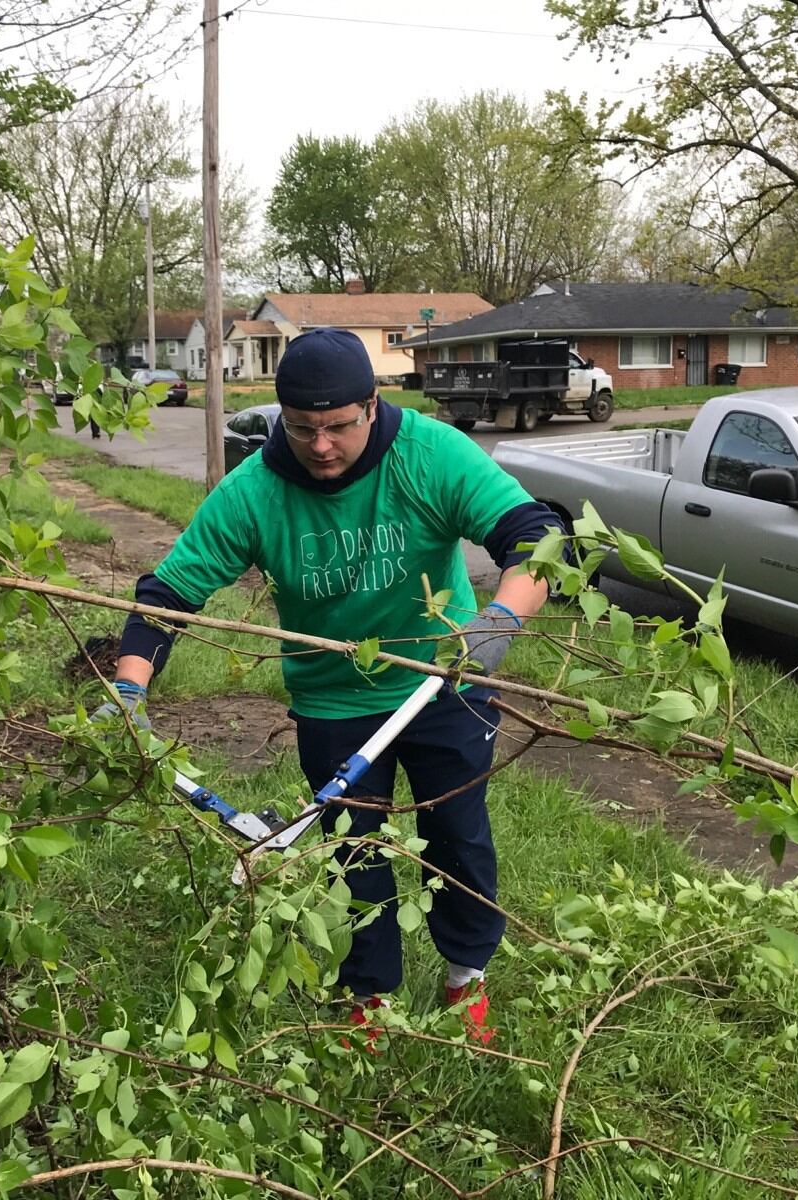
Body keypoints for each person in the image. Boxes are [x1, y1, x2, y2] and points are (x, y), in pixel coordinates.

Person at [93, 328, 561, 1043]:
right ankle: (368, 998)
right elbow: (168, 594)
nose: (321, 446)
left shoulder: (430, 455)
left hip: (443, 682)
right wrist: (127, 690)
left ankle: (467, 975)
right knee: (353, 856)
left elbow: (535, 536)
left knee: (458, 838)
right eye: (304, 428)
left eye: (339, 426)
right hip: (333, 700)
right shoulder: (254, 491)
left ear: (372, 406)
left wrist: (499, 618)